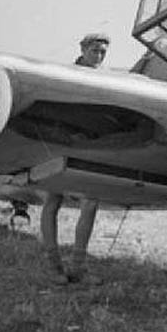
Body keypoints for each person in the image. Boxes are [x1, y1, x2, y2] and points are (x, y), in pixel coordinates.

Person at [40, 32, 110, 285]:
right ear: (82, 49)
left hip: (90, 145)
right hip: (62, 142)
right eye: (95, 50)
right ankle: (53, 265)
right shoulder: (67, 73)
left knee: (91, 202)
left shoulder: (107, 77)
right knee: (53, 201)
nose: (99, 56)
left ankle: (78, 267)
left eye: (103, 52)